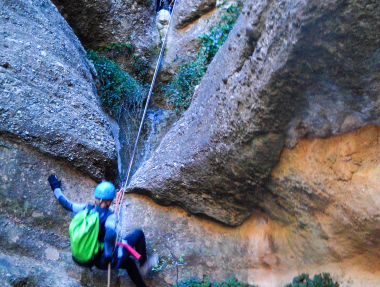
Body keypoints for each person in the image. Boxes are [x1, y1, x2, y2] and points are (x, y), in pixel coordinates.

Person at [47, 174, 158, 287]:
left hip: (92, 258)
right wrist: (107, 256)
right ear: (111, 200)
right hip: (105, 261)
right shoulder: (110, 216)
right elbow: (110, 235)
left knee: (129, 263)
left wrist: (55, 186)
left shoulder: (86, 209)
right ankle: (144, 265)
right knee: (138, 234)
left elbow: (66, 204)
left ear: (97, 197)